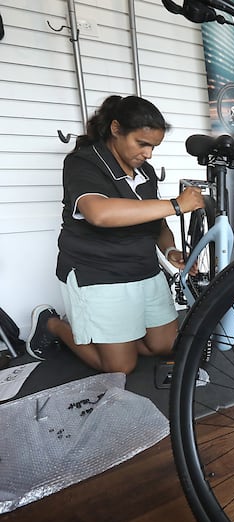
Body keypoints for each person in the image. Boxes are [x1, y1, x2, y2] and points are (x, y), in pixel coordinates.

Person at [25, 95, 205, 374]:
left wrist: (170, 251)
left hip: (142, 269)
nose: (148, 154)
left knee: (165, 345)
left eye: (153, 147)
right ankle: (53, 324)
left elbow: (156, 223)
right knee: (121, 367)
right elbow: (99, 213)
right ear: (116, 129)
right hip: (98, 271)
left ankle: (114, 337)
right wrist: (176, 205)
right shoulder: (83, 163)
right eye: (142, 144)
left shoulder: (144, 171)